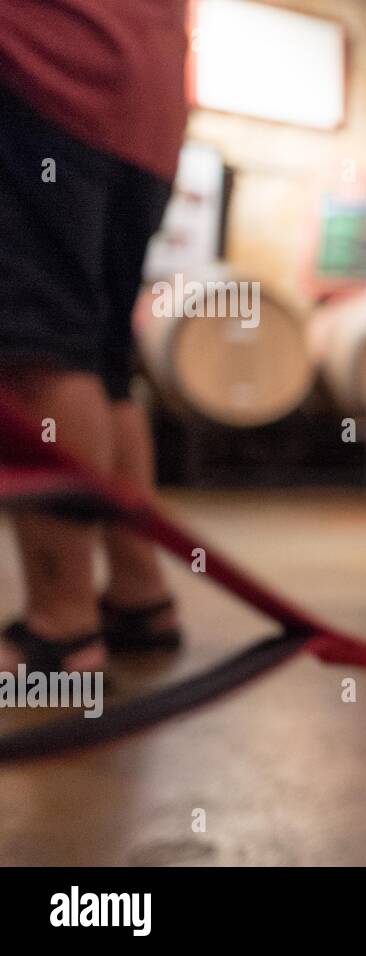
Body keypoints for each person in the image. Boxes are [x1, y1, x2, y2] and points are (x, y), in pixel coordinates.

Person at [0, 0, 188, 675]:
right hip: (146, 97)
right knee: (102, 356)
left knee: (36, 351)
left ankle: (61, 630)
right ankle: (140, 596)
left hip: (43, 71)